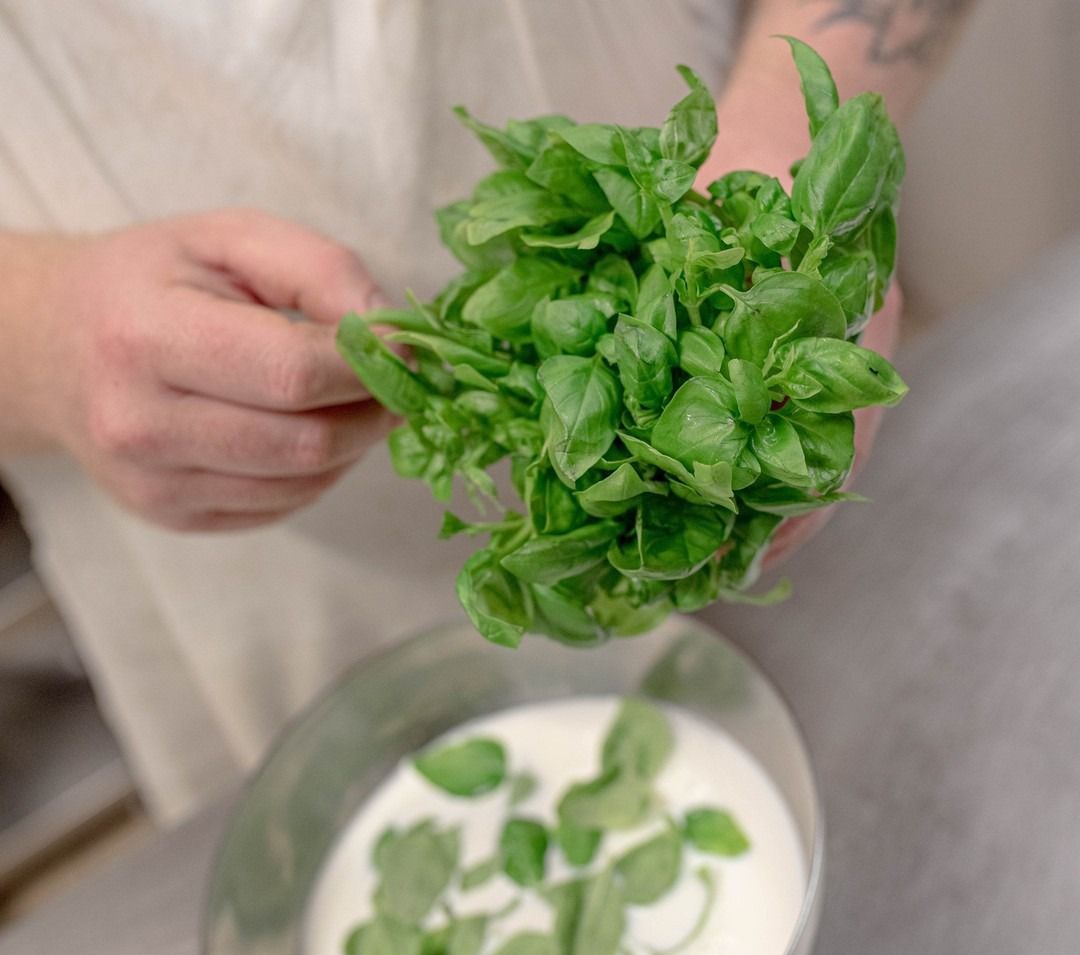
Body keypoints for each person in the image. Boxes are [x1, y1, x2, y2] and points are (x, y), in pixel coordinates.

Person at [0, 0, 976, 823]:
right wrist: (43, 335)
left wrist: (788, 162)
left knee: (878, 781)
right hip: (246, 550)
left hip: (752, 359)